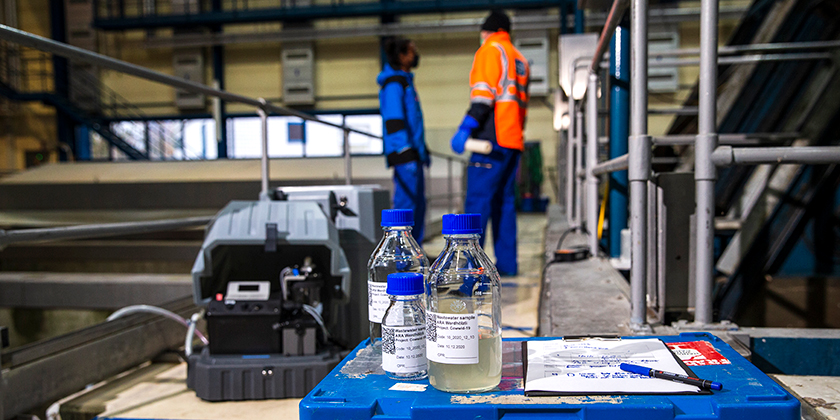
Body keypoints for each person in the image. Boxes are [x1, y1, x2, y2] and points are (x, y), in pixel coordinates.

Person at [450, 10, 530, 276]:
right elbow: (521, 106)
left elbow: (483, 98)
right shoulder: (520, 59)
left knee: (477, 202)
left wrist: (466, 128)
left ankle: (471, 272)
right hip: (513, 139)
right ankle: (507, 266)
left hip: (490, 140)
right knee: (504, 204)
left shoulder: (490, 50)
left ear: (487, 30)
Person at [378, 37, 429, 243]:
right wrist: (405, 152)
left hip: (414, 153)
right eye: (411, 51)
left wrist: (423, 150)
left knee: (418, 205)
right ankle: (401, 258)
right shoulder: (393, 84)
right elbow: (394, 121)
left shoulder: (406, 81)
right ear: (400, 56)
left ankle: (415, 252)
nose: (415, 55)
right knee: (405, 206)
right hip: (404, 154)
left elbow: (413, 121)